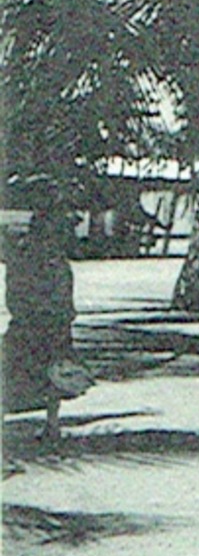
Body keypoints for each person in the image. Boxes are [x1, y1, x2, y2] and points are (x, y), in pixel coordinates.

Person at [2, 190, 93, 444]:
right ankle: (51, 425)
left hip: (35, 321)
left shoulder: (26, 254)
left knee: (21, 372)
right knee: (44, 374)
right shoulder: (49, 259)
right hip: (42, 322)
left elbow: (15, 289)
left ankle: (49, 425)